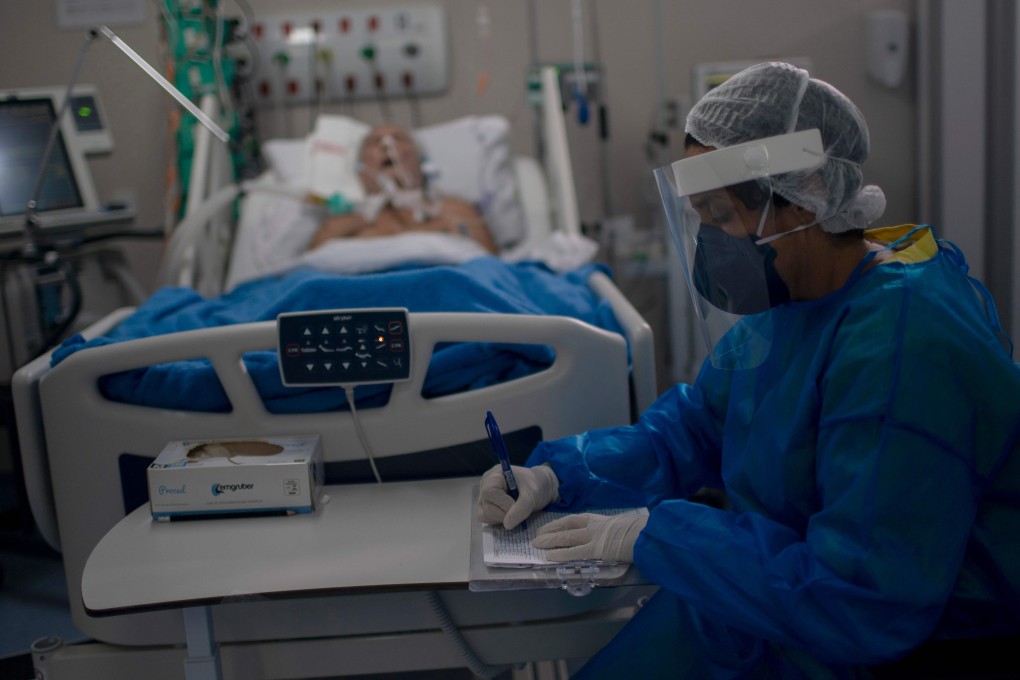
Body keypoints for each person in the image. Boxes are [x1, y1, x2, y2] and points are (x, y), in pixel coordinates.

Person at [476, 62, 1020, 678]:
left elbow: (866, 600)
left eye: (721, 214)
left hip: (879, 643)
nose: (709, 241)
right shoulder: (793, 304)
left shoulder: (902, 342)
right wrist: (558, 473)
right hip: (775, 604)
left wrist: (660, 536)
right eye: (700, 216)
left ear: (803, 195)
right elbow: (694, 429)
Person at [308, 124, 497, 253]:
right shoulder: (341, 222)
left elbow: (489, 268)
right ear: (360, 170)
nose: (386, 145)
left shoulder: (454, 209)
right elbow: (313, 271)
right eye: (374, 142)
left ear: (421, 162)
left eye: (398, 139)